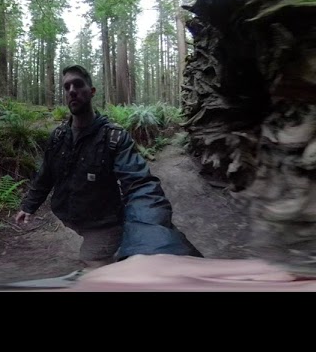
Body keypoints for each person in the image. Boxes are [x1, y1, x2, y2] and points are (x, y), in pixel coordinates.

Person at [16, 64, 202, 276]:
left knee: (92, 259)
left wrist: (151, 241)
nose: (72, 91)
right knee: (94, 245)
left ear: (92, 91)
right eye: (66, 87)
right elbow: (46, 174)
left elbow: (140, 185)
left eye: (78, 84)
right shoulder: (58, 136)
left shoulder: (113, 138)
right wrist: (29, 206)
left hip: (105, 223)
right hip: (73, 217)